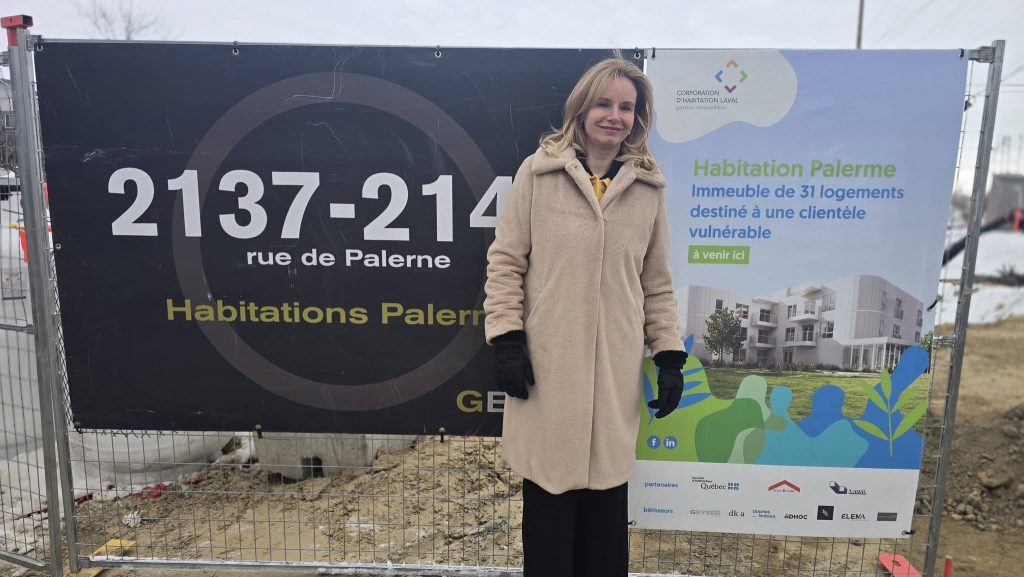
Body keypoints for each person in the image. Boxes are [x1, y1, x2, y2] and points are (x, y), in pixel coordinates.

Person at [483, 57, 688, 576]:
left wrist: (669, 355)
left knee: (603, 532)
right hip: (549, 372)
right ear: (581, 107)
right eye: (604, 103)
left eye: (627, 107)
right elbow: (505, 263)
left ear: (638, 117)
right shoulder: (539, 174)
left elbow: (657, 283)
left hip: (613, 376)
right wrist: (506, 338)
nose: (614, 116)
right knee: (549, 529)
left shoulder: (647, 189)